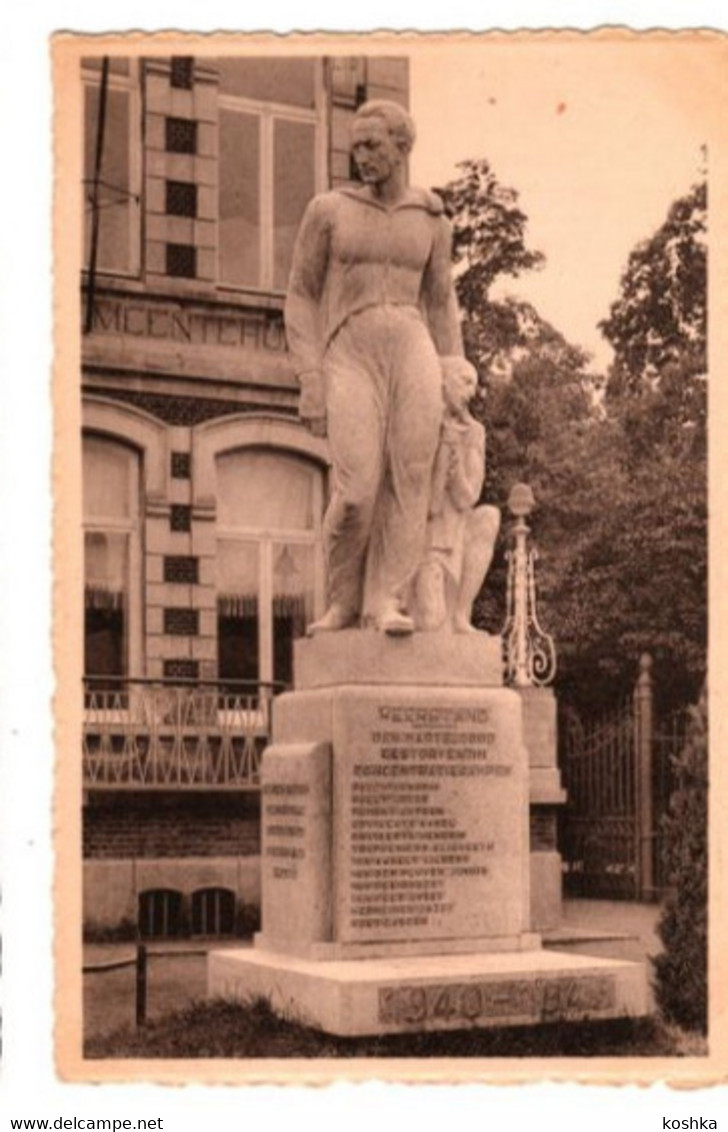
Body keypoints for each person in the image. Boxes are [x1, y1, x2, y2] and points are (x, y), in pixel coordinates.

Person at [284, 99, 463, 635]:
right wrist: (310, 378)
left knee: (409, 479)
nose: (360, 156)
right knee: (359, 487)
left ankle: (384, 598)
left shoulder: (431, 220)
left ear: (402, 148)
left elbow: (441, 301)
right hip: (351, 350)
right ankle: (344, 598)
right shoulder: (329, 210)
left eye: (372, 146)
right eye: (355, 146)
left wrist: (454, 371)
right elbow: (300, 294)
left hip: (412, 348)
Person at [412, 357, 500, 633]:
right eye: (465, 381)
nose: (471, 392)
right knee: (431, 621)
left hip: (456, 531)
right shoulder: (415, 422)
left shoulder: (475, 432)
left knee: (489, 516)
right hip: (421, 537)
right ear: (443, 379)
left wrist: (455, 467)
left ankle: (462, 614)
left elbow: (468, 496)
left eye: (474, 384)